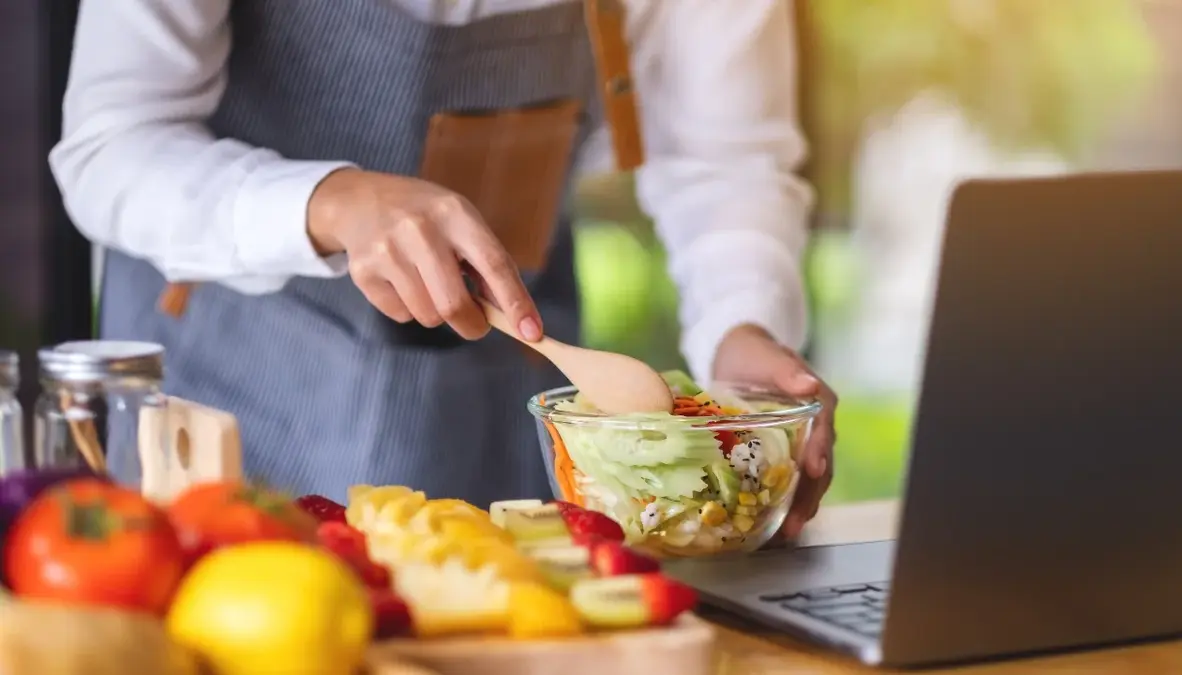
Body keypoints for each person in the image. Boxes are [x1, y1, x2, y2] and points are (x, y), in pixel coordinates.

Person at [49, 0, 836, 536]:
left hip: (496, 388)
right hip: (226, 381)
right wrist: (331, 201)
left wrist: (744, 323)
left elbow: (725, 159)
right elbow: (110, 147)